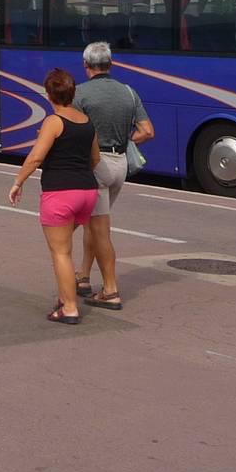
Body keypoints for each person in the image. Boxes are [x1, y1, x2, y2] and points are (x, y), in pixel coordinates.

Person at [8, 68, 100, 325]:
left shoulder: (53, 122)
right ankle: (64, 297)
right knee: (65, 248)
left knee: (61, 252)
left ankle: (69, 307)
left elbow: (36, 157)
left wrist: (18, 182)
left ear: (49, 95)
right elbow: (95, 158)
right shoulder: (86, 121)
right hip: (87, 192)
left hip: (60, 193)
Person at [71, 42, 154, 311]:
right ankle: (83, 277)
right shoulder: (128, 92)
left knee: (101, 231)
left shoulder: (80, 94)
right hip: (120, 165)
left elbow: (72, 132)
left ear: (86, 65)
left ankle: (110, 290)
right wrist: (126, 141)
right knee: (93, 224)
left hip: (95, 165)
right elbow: (147, 131)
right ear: (111, 64)